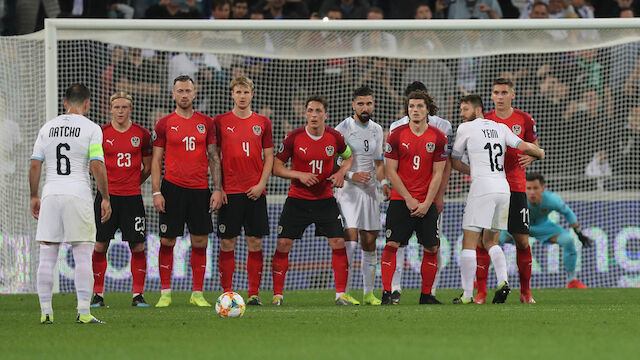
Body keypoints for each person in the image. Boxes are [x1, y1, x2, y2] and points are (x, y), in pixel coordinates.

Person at [451, 95, 545, 304]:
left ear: (477, 111)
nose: (462, 114)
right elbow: (525, 147)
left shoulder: (465, 128)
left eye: (465, 110)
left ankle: (467, 295)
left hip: (482, 187)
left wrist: (472, 170)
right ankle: (503, 281)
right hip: (503, 189)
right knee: (490, 241)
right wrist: (540, 153)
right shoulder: (500, 128)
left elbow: (455, 161)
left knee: (470, 242)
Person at [30, 83, 111, 324]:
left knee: (47, 256)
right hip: (78, 194)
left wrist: (34, 195)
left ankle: (46, 313)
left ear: (64, 103)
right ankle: (84, 313)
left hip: (51, 193)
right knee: (83, 256)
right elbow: (96, 165)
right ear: (88, 104)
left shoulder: (47, 128)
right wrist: (106, 197)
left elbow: (35, 164)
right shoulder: (92, 128)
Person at [271, 94, 354, 306]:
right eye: (310, 110)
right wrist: (298, 175)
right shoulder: (294, 137)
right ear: (305, 113)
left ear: (325, 115)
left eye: (318, 111)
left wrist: (341, 172)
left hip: (325, 199)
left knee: (338, 242)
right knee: (283, 243)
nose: (314, 115)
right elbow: (276, 166)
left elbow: (349, 156)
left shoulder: (334, 137)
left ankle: (340, 295)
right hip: (297, 200)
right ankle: (277, 295)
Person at [152, 75, 223, 307]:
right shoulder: (164, 123)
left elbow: (214, 157)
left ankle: (197, 293)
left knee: (200, 241)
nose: (184, 94)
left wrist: (217, 189)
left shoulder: (207, 122)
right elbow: (156, 159)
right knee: (167, 240)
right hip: (172, 188)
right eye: (180, 91)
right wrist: (156, 192)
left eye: (188, 91)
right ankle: (165, 292)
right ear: (173, 94)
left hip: (199, 189)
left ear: (194, 93)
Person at [388, 81, 452, 304]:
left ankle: (428, 294)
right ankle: (391, 291)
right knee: (394, 244)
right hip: (401, 199)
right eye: (411, 106)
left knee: (432, 246)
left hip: (428, 200)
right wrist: (407, 198)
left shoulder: (440, 133)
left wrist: (430, 200)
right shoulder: (395, 132)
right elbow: (390, 168)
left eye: (420, 106)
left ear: (428, 108)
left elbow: (441, 170)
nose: (415, 110)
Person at [477, 77, 539, 304]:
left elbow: (535, 146)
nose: (500, 97)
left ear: (513, 94)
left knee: (522, 240)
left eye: (504, 92)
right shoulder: (484, 120)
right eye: (496, 92)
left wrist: (531, 156)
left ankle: (526, 292)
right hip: (491, 187)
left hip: (516, 187)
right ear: (491, 96)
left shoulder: (524, 119)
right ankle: (481, 293)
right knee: (484, 240)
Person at [213, 76, 274, 306]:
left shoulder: (263, 122)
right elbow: (214, 157)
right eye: (238, 92)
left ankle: (254, 294)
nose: (242, 96)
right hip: (231, 191)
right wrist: (219, 187)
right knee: (228, 243)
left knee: (255, 242)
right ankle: (227, 293)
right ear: (232, 94)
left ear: (252, 94)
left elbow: (269, 157)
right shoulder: (219, 121)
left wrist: (261, 185)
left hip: (255, 191)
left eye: (246, 92)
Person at [90, 92, 152, 308]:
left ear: (131, 109)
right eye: (116, 107)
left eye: (124, 107)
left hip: (132, 198)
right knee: (100, 244)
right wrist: (105, 185)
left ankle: (138, 295)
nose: (120, 111)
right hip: (106, 198)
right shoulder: (100, 133)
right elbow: (93, 164)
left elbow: (148, 166)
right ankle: (98, 295)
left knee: (137, 246)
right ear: (110, 109)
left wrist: (134, 182)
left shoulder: (142, 134)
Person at [334, 86, 388, 306]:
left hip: (369, 191)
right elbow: (333, 164)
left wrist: (383, 183)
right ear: (353, 105)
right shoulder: (342, 129)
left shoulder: (377, 129)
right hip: (347, 190)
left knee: (370, 241)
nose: (365, 108)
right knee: (351, 241)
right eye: (361, 104)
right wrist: (352, 174)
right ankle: (343, 292)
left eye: (369, 103)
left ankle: (368, 293)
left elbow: (378, 162)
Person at [500, 173, 592, 289]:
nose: (532, 192)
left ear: (543, 188)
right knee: (495, 240)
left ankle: (572, 280)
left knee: (568, 240)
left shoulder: (553, 199)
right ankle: (479, 279)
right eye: (529, 188)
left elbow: (568, 213)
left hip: (543, 227)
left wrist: (579, 233)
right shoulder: (515, 197)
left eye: (536, 188)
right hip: (518, 226)